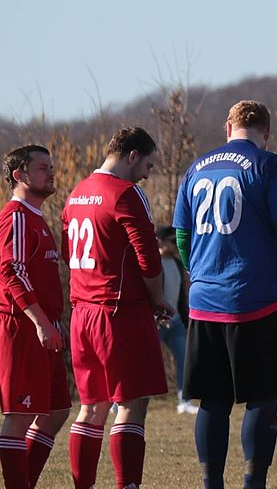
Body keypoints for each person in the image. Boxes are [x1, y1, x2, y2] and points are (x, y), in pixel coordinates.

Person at [173, 100, 277, 489]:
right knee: (262, 397)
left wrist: (200, 275)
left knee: (213, 401)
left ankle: (212, 484)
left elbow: (182, 236)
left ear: (228, 128)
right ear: (266, 132)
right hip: (256, 300)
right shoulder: (270, 165)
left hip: (205, 302)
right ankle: (253, 483)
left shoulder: (195, 168)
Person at [62, 127, 175, 489]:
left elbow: (67, 252)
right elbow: (148, 256)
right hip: (118, 312)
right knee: (131, 403)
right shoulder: (126, 193)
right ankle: (128, 484)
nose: (147, 175)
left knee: (92, 406)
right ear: (132, 156)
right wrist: (158, 299)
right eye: (148, 165)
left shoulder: (76, 193)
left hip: (82, 312)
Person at [0, 146, 71, 488]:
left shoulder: (37, 217)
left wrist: (55, 320)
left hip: (44, 326)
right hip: (23, 326)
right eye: (43, 168)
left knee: (56, 411)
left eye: (51, 167)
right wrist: (41, 322)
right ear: (20, 175)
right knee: (19, 416)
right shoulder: (15, 215)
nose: (51, 173)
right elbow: (12, 271)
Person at [155, 225, 198, 415]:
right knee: (141, 363)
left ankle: (185, 400)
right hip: (155, 322)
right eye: (172, 241)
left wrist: (186, 317)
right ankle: (120, 402)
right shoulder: (151, 262)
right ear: (160, 242)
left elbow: (182, 294)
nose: (176, 245)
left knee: (184, 359)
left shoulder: (178, 264)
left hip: (176, 322)